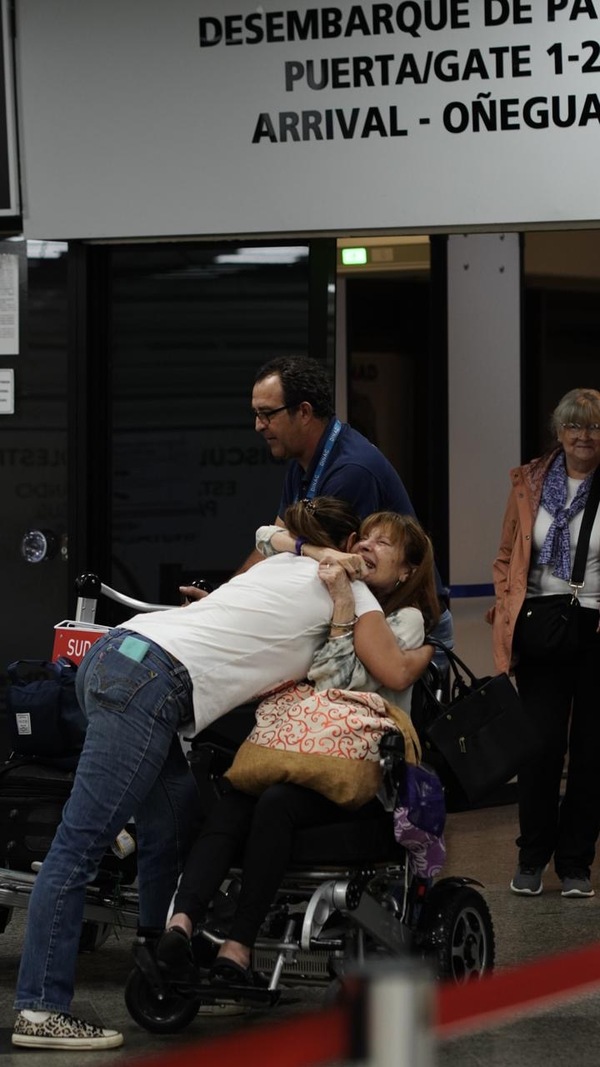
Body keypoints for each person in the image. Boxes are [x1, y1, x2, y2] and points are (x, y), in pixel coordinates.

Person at [12, 497, 432, 1052]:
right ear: (344, 541)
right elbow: (391, 668)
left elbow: (268, 536)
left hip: (115, 653)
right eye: (361, 540)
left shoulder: (276, 562)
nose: (364, 551)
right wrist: (430, 650)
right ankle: (41, 1010)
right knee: (81, 843)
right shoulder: (349, 594)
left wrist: (303, 549)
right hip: (150, 683)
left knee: (177, 817)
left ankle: (171, 955)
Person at [156, 511, 439, 985]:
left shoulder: (404, 620)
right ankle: (181, 923)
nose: (368, 545)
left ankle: (239, 944)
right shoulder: (326, 598)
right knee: (235, 798)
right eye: (363, 538)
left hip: (361, 770)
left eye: (384, 544)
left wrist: (345, 603)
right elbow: (267, 536)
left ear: (408, 571)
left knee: (276, 804)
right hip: (304, 752)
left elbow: (341, 680)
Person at [180, 355, 454, 662]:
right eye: (256, 414)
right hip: (374, 620)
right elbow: (275, 546)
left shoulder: (352, 470)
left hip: (409, 628)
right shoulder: (303, 463)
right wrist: (222, 601)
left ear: (305, 412)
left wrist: (224, 612)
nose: (258, 426)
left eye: (267, 414)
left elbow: (316, 570)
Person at [488, 388, 600, 900]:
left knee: (592, 752)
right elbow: (507, 555)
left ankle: (576, 863)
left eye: (595, 427)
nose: (584, 436)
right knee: (539, 747)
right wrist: (507, 609)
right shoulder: (529, 483)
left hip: (596, 625)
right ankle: (532, 856)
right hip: (540, 624)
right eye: (574, 426)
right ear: (559, 431)